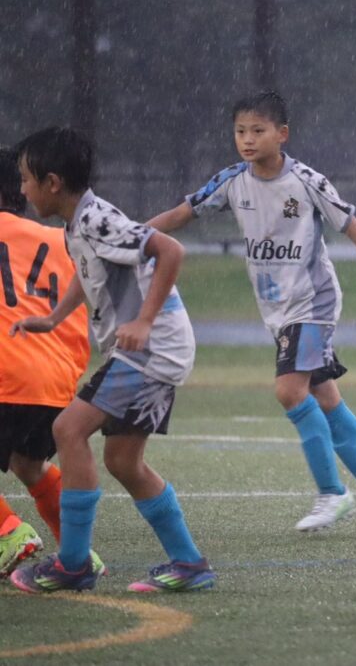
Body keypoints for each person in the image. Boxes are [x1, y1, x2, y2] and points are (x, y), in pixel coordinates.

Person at [148, 91, 356, 535]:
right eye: (240, 131)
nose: (247, 139)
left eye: (258, 130)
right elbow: (182, 213)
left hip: (313, 303)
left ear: (282, 134)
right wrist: (129, 235)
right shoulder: (232, 181)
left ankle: (332, 494)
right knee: (325, 400)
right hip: (278, 311)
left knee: (289, 391)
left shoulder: (307, 182)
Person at [9, 127, 215, 593]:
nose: (22, 189)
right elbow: (89, 270)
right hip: (149, 352)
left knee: (68, 429)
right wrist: (55, 317)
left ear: (52, 183)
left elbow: (170, 250)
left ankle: (74, 564)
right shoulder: (76, 225)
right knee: (123, 460)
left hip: (150, 351)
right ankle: (189, 563)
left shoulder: (97, 219)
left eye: (25, 180)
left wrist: (144, 321)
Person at [0, 147, 90, 578]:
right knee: (29, 464)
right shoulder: (60, 240)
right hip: (54, 378)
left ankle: (7, 532)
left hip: (6, 370)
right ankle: (78, 553)